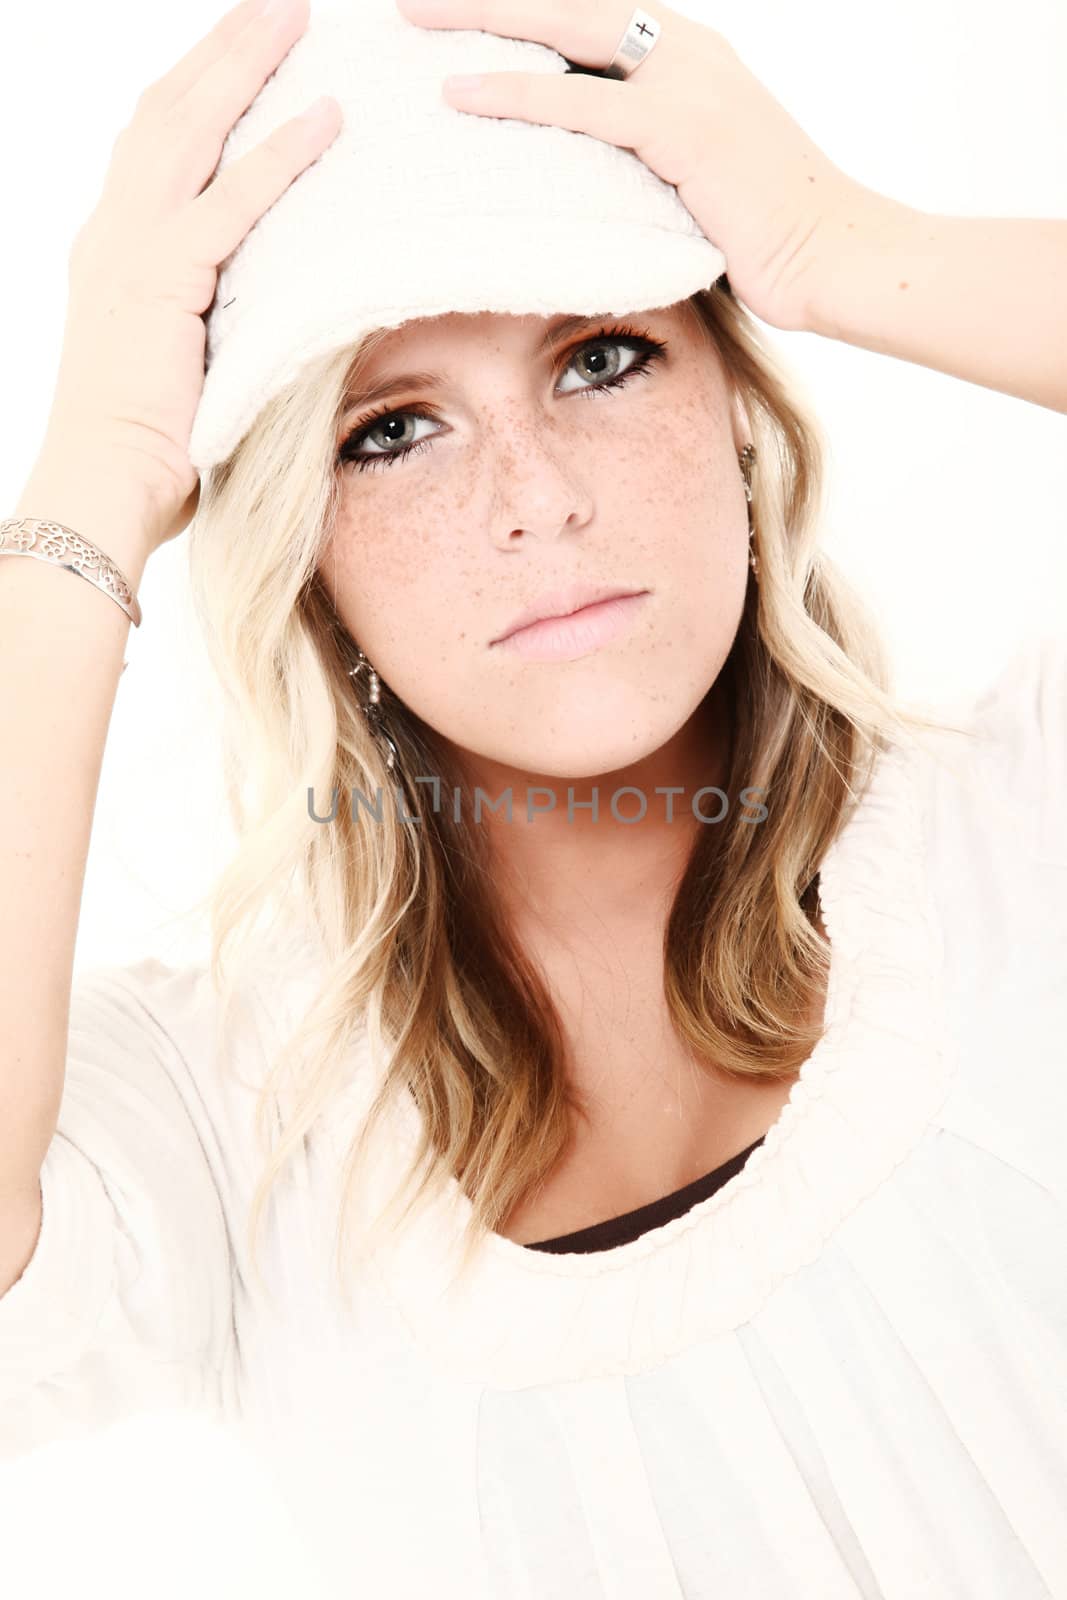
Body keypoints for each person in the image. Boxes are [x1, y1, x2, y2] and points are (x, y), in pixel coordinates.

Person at [1, 0, 1065, 1594]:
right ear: (309, 563)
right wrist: (97, 470)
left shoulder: (1019, 837)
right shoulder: (236, 1129)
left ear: (740, 421)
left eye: (603, 355)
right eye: (394, 431)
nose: (536, 500)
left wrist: (837, 242)